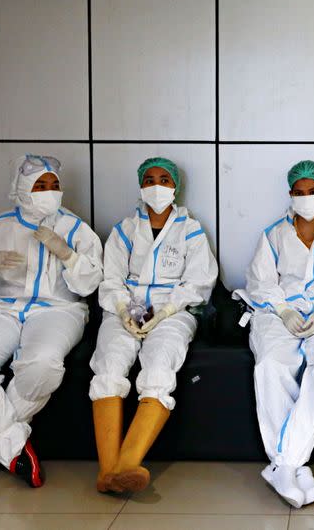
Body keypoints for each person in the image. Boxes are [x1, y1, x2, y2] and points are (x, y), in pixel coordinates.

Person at [0, 154, 103, 487]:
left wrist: (67, 254)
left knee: (44, 364)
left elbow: (90, 283)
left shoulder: (75, 229)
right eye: (40, 185)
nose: (49, 191)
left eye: (54, 185)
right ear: (21, 188)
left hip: (59, 310)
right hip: (1, 309)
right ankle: (12, 447)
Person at [235, 160, 314, 508]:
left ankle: (284, 463)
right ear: (290, 194)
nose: (306, 197)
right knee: (271, 365)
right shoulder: (274, 234)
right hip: (278, 314)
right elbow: (261, 282)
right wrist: (284, 310)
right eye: (299, 192)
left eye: (312, 191)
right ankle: (296, 465)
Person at [90, 157, 218, 493]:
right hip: (124, 310)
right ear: (140, 186)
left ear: (175, 186)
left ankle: (127, 464)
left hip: (173, 313)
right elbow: (111, 277)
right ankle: (109, 471)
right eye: (149, 179)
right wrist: (122, 309)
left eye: (164, 179)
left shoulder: (190, 230)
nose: (157, 186)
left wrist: (164, 312)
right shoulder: (124, 230)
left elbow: (199, 281)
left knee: (160, 368)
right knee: (109, 366)